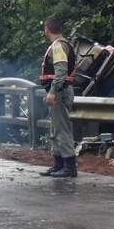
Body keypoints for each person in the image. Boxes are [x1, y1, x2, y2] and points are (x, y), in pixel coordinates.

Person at [39, 17, 77, 178]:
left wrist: (53, 91)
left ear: (47, 29)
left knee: (62, 129)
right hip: (61, 91)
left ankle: (69, 167)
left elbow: (61, 71)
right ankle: (59, 164)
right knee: (56, 129)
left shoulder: (58, 46)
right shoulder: (62, 44)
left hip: (60, 92)